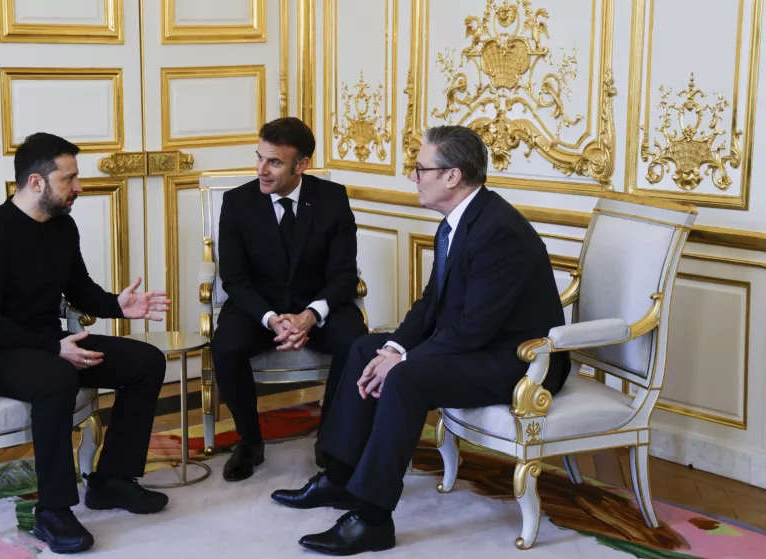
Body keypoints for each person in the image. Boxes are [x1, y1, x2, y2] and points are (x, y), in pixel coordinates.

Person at [270, 125, 570, 555]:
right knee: (364, 347)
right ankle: (340, 478)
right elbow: (431, 305)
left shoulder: (499, 232)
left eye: (420, 169)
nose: (414, 178)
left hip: (519, 361)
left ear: (452, 176)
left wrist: (402, 363)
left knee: (407, 378)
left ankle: (373, 519)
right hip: (478, 346)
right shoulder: (457, 222)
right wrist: (392, 348)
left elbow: (475, 328)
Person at [0, 132, 171, 554]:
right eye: (69, 178)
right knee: (56, 376)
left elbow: (79, 288)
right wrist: (53, 348)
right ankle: (52, 510)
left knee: (146, 361)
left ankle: (111, 481)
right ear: (37, 182)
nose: (79, 187)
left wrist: (117, 305)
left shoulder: (62, 226)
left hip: (50, 345)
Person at [212, 117, 369, 481]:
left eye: (274, 162)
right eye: (259, 158)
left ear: (302, 165)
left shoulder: (332, 199)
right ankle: (250, 442)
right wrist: (271, 318)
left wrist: (310, 316)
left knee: (357, 342)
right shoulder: (237, 202)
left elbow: (345, 274)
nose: (261, 170)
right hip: (258, 309)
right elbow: (234, 278)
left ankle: (330, 439)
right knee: (225, 346)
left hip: (317, 306)